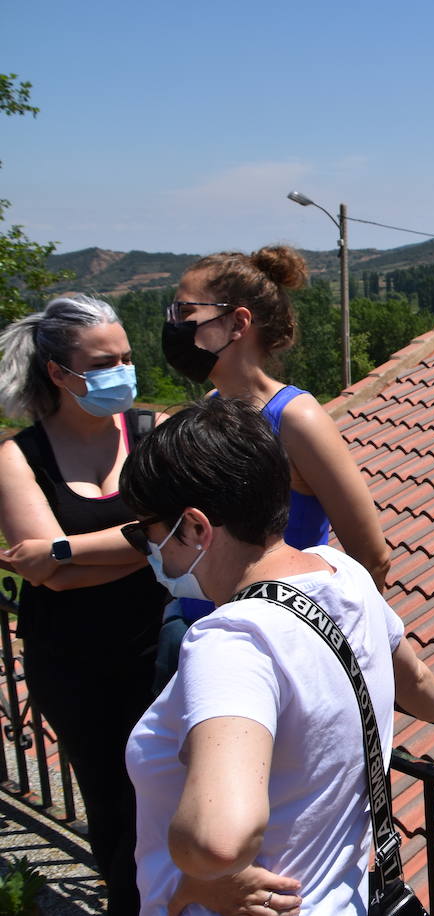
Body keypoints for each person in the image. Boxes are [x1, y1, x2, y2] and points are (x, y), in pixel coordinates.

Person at [121, 398, 434, 915]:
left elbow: (218, 838)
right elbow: (414, 679)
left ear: (196, 529)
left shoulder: (230, 642)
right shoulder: (343, 574)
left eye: (145, 533)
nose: (146, 549)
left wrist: (191, 881)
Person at [0, 294, 165, 916]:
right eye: (105, 361)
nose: (123, 370)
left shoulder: (154, 433)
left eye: (126, 357)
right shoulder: (17, 457)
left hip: (163, 655)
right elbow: (51, 580)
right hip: (73, 669)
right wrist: (150, 538)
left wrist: (64, 550)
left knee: (171, 805)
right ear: (59, 374)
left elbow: (180, 536)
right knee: (115, 815)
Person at [157, 245, 390, 679]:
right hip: (201, 636)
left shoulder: (297, 419)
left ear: (238, 322)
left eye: (185, 312)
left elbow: (371, 557)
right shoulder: (212, 405)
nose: (174, 325)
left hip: (270, 652)